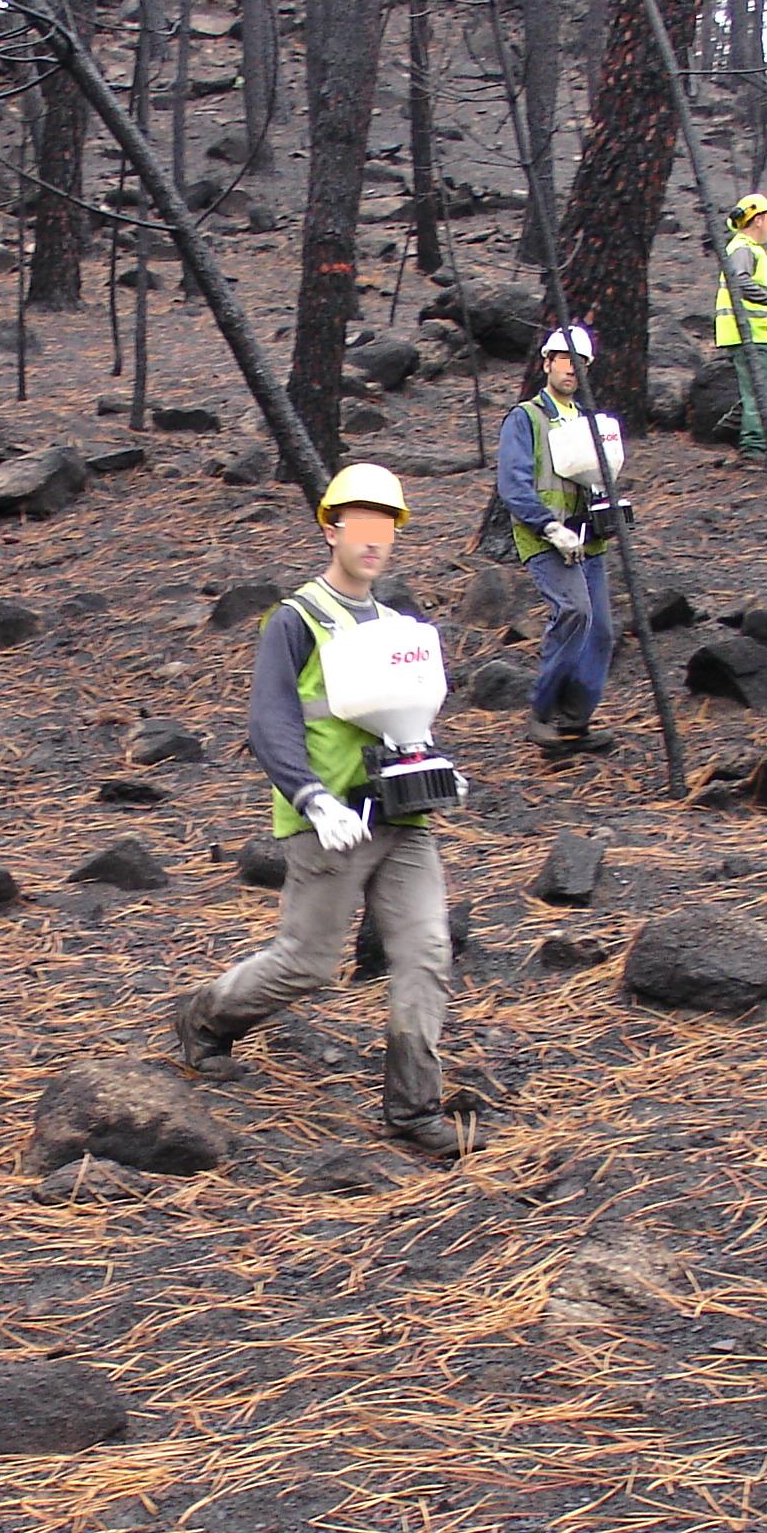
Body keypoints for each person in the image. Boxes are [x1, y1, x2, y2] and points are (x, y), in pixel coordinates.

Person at [170, 463, 467, 1159]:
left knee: (426, 953)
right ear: (331, 529)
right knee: (307, 962)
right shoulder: (295, 619)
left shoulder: (397, 623)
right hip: (331, 821)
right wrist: (311, 796)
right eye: (360, 524)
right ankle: (205, 1020)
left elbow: (411, 718)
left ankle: (414, 1108)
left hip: (403, 818)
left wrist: (434, 766)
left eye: (386, 526)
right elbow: (271, 720)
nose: (374, 539)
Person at [493, 321, 618, 758]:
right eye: (564, 359)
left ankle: (574, 724)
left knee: (600, 631)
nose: (571, 369)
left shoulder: (587, 421)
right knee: (573, 611)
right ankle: (542, 713)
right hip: (545, 537)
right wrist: (547, 526)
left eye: (579, 362)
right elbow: (513, 484)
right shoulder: (525, 418)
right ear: (547, 363)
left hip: (588, 539)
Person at [716, 193, 767, 465]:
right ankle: (753, 451)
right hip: (747, 333)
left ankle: (729, 428)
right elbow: (740, 282)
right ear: (758, 220)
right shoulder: (743, 248)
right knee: (763, 391)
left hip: (757, 333)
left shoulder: (751, 249)